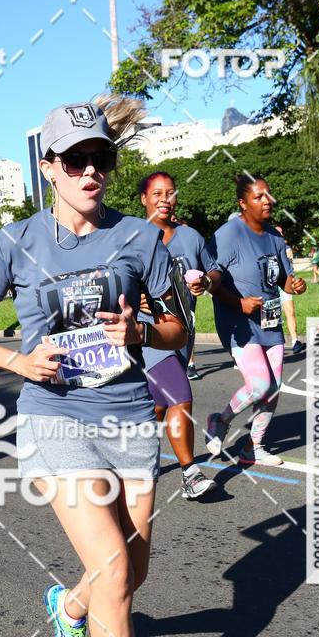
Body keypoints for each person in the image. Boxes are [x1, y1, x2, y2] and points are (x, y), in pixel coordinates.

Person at [0, 99, 190, 637]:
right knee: (115, 568)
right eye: (76, 160)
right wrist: (18, 362)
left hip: (126, 415)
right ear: (49, 167)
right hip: (54, 415)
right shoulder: (14, 242)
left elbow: (179, 329)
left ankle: (70, 605)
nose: (91, 171)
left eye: (101, 159)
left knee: (131, 575)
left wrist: (143, 333)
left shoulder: (142, 239)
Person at [205, 174, 307, 466]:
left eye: (268, 195)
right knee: (260, 384)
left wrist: (294, 286)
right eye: (259, 197)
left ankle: (253, 447)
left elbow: (283, 280)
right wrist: (238, 302)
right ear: (242, 203)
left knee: (274, 388)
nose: (267, 201)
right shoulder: (228, 234)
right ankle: (220, 421)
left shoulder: (274, 236)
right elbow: (213, 280)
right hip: (238, 323)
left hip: (269, 321)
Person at [138, 171, 218, 499]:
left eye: (170, 193)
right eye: (157, 193)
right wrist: (133, 296)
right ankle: (190, 474)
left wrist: (207, 283)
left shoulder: (191, 237)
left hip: (183, 333)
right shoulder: (133, 238)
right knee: (180, 394)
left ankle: (133, 455)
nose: (164, 200)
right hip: (149, 334)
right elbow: (112, 279)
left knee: (157, 406)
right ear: (144, 199)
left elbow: (214, 270)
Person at [274, 225, 305, 354]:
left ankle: (295, 341)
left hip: (286, 284)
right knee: (274, 317)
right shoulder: (265, 248)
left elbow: (289, 269)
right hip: (273, 287)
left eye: (282, 232)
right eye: (278, 232)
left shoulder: (287, 249)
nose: (281, 234)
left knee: (290, 311)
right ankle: (274, 344)